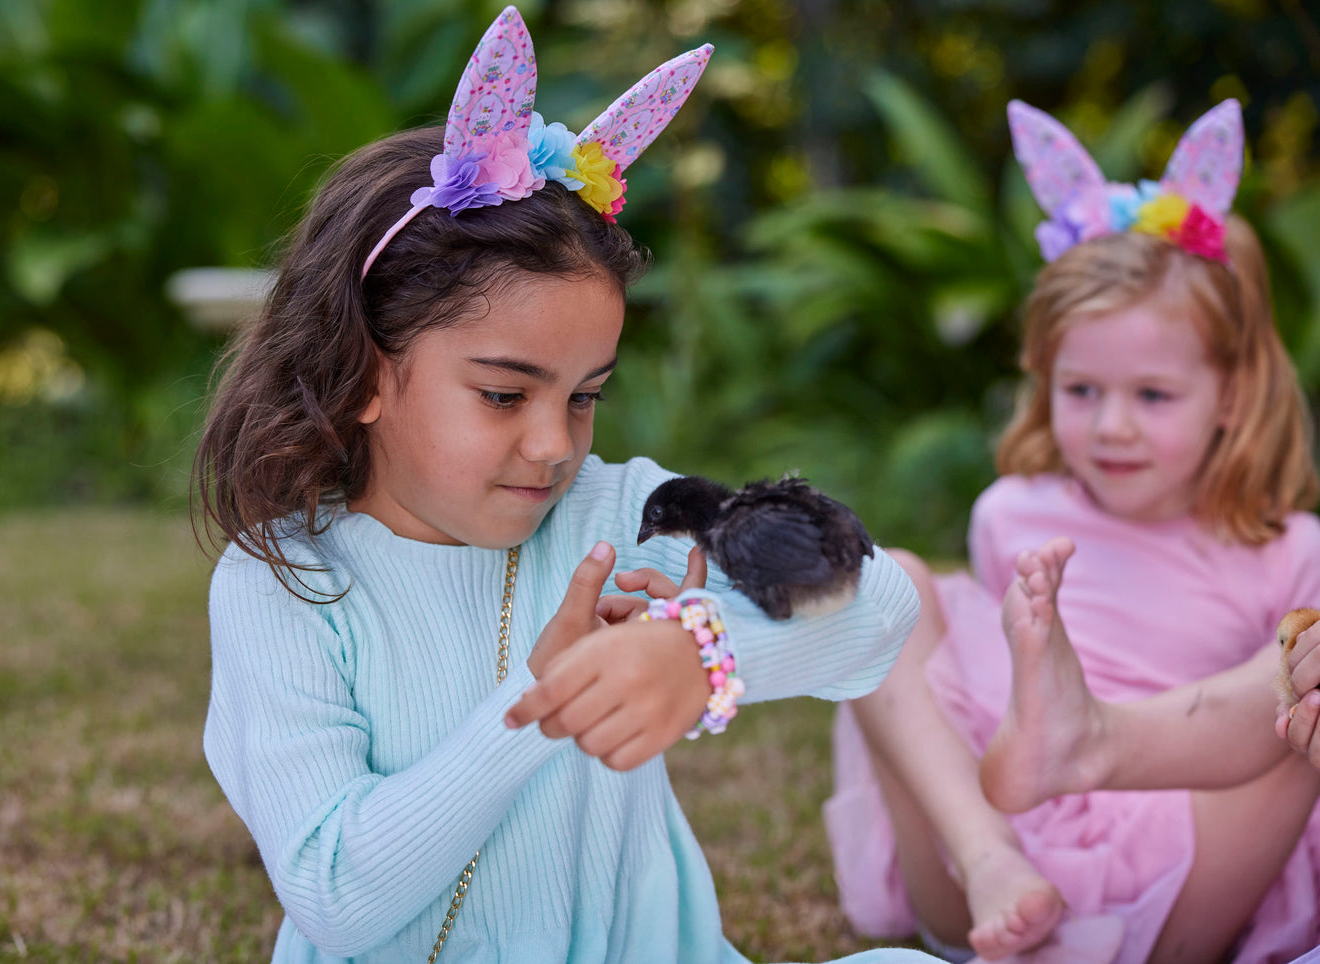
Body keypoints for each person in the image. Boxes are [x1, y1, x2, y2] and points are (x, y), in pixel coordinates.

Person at [192, 8, 939, 963]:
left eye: (585, 396)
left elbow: (878, 603)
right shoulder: (284, 584)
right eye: (504, 394)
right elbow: (335, 892)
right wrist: (538, 703)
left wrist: (696, 652)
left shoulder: (621, 513)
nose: (554, 445)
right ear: (364, 371)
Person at [824, 98, 1320, 964]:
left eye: (1152, 396)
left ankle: (1093, 743)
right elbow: (969, 686)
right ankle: (991, 860)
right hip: (990, 841)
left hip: (1186, 866)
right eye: (1081, 390)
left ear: (1231, 397)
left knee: (1308, 664)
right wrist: (988, 848)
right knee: (877, 578)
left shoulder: (1290, 549)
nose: (1110, 427)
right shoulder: (1011, 514)